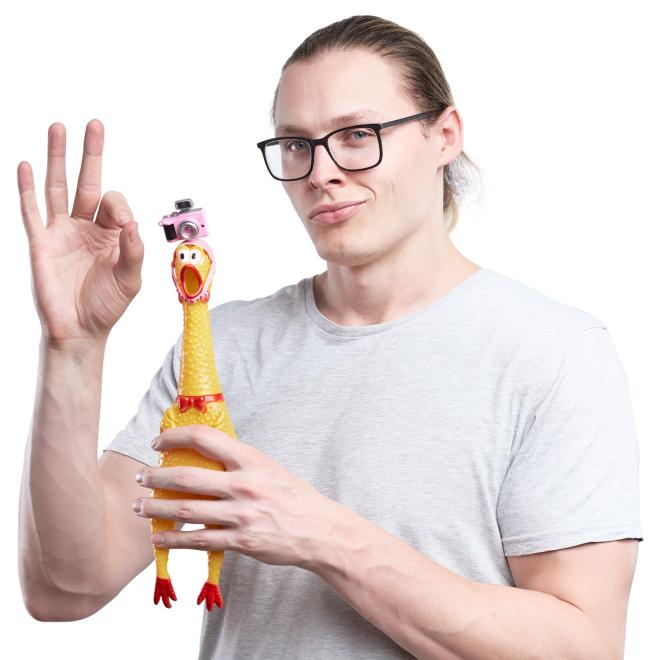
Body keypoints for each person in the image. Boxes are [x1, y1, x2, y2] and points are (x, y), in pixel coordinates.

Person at [18, 13, 643, 660]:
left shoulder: (554, 353)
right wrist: (73, 346)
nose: (321, 172)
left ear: (444, 136)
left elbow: (585, 647)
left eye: (358, 135)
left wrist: (320, 535)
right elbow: (65, 589)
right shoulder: (227, 345)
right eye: (297, 144)